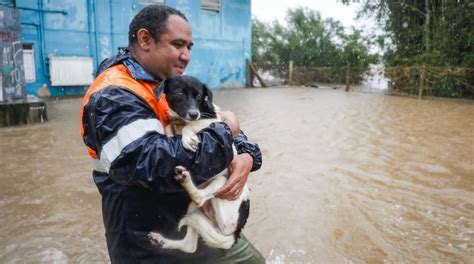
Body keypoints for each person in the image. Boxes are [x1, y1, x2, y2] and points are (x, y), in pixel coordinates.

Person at [80, 4, 264, 264]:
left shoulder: (172, 83)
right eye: (178, 45)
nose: (186, 56)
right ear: (145, 39)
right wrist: (227, 130)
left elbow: (219, 122)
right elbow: (157, 164)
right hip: (147, 238)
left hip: (199, 216)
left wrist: (247, 156)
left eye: (189, 47)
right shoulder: (113, 94)